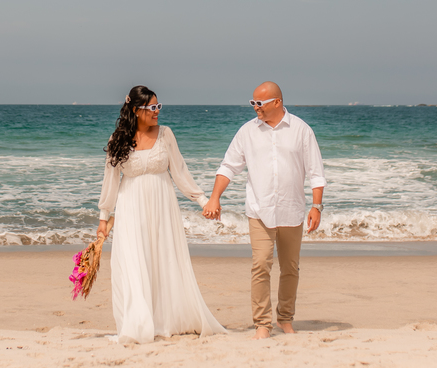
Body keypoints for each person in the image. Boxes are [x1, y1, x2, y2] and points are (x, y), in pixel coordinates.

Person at [96, 85, 227, 343]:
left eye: (159, 107)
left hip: (162, 204)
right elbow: (109, 181)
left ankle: (164, 319)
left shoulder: (166, 134)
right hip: (131, 206)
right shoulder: (118, 139)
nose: (157, 112)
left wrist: (203, 201)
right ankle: (138, 322)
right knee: (134, 262)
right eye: (152, 108)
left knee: (162, 258)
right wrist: (103, 218)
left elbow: (179, 171)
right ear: (136, 110)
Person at [202, 81, 325, 339]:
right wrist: (214, 197)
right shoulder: (247, 132)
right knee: (260, 265)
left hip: (292, 210)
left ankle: (285, 318)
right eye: (253, 103)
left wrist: (316, 206)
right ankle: (262, 323)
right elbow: (228, 167)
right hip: (259, 210)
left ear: (277, 102)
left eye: (260, 103)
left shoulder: (301, 130)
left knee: (290, 267)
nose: (255, 107)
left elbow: (315, 172)